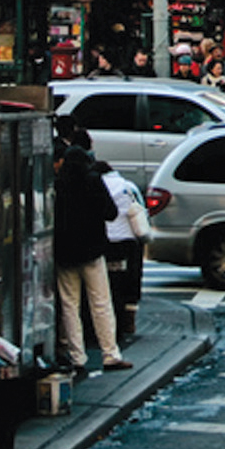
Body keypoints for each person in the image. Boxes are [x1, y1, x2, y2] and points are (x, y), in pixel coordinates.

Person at [54, 146, 131, 375]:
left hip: (65, 252)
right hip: (92, 250)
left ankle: (77, 357)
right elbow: (111, 212)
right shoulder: (93, 180)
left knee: (70, 305)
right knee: (101, 303)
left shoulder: (59, 183)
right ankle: (110, 354)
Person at [97, 158, 146, 343]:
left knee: (108, 285)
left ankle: (109, 325)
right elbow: (141, 208)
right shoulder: (127, 186)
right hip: (128, 241)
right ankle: (128, 321)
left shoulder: (97, 185)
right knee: (129, 282)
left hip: (106, 241)